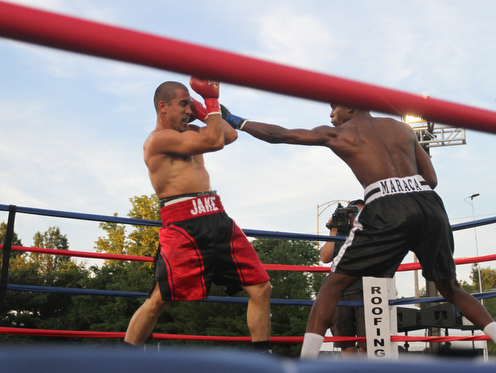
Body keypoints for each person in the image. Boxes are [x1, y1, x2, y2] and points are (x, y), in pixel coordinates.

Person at [220, 103, 496, 358]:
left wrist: (234, 119)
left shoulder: (341, 134)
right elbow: (431, 180)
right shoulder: (402, 128)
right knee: (451, 289)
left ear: (349, 107)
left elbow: (277, 134)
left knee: (331, 286)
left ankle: (306, 363)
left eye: (333, 108)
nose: (330, 116)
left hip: (386, 205)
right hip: (430, 206)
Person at [123, 79, 272, 353]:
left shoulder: (192, 131)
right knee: (159, 299)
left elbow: (230, 135)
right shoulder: (157, 140)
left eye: (190, 105)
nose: (189, 111)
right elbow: (215, 140)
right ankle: (125, 361)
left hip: (217, 216)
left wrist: (203, 107)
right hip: (183, 224)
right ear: (163, 107)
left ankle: (264, 360)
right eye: (184, 104)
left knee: (261, 288)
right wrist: (213, 102)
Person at [320, 200, 366, 356]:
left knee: (366, 341)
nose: (356, 215)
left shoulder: (370, 232)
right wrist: (333, 231)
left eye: (360, 211)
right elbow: (325, 257)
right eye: (353, 211)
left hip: (365, 291)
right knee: (345, 341)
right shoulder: (339, 233)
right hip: (341, 292)